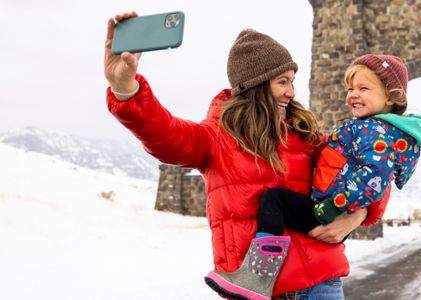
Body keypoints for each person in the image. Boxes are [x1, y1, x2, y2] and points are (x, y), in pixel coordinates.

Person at [103, 12, 390, 299]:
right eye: (282, 82)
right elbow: (167, 136)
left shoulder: (305, 134)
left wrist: (358, 215)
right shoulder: (216, 137)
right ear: (256, 84)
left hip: (318, 284)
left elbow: (375, 163)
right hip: (257, 292)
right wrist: (126, 89)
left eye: (292, 81)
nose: (291, 92)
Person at [207, 53, 421, 299]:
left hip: (328, 208)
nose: (352, 94)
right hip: (329, 205)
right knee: (277, 202)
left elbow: (375, 179)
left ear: (391, 96)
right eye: (350, 88)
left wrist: (336, 208)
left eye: (363, 88)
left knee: (275, 200)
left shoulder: (376, 132)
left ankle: (258, 276)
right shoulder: (373, 129)